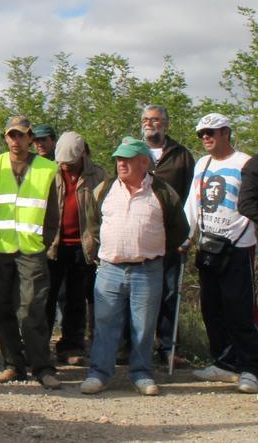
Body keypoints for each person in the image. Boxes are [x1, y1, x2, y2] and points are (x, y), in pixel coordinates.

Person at [80, 137, 188, 396]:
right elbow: (94, 224)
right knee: (104, 324)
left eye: (127, 159)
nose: (120, 163)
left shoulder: (162, 192)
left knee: (144, 325)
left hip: (147, 270)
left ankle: (141, 374)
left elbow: (179, 229)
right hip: (109, 268)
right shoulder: (105, 189)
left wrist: (154, 248)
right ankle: (99, 374)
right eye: (118, 159)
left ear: (144, 162)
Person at [0, 115, 62, 389]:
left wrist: (44, 241)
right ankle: (13, 365)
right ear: (5, 138)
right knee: (2, 308)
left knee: (31, 310)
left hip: (31, 250)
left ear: (30, 138)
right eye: (12, 135)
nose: (17, 140)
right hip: (0, 252)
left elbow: (52, 214)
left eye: (22, 135)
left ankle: (42, 366)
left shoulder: (47, 169)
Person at [185, 113, 257, 394]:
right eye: (202, 133)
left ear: (226, 132)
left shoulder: (246, 163)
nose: (205, 137)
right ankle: (225, 362)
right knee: (211, 308)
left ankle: (251, 367)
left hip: (238, 246)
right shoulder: (203, 163)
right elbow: (194, 201)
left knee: (239, 310)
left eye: (211, 132)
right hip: (208, 245)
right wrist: (186, 236)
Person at [140, 104, 197, 366]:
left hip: (171, 236)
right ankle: (133, 347)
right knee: (138, 292)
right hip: (139, 235)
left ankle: (166, 348)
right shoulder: (132, 152)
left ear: (166, 124)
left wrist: (187, 235)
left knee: (169, 292)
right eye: (147, 119)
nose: (151, 123)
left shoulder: (181, 156)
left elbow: (191, 197)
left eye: (156, 120)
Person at [44, 131, 107, 366]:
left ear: (81, 155)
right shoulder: (48, 172)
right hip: (52, 245)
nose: (65, 167)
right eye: (61, 162)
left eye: (69, 163)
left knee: (76, 299)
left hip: (84, 246)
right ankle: (40, 347)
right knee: (46, 298)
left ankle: (71, 345)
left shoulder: (98, 174)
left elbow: (105, 210)